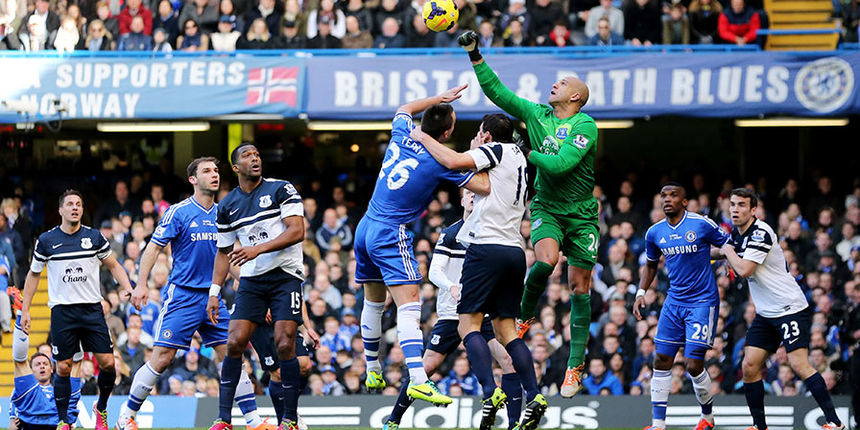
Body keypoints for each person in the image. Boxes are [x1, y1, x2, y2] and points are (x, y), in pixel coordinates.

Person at [459, 30, 599, 397]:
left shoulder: (585, 125)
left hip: (582, 214)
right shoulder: (537, 114)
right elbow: (499, 93)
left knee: (579, 287)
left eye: (563, 83)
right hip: (547, 207)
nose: (555, 84)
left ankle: (574, 366)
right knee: (545, 261)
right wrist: (475, 54)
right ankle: (523, 316)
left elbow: (562, 164)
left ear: (575, 96)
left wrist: (527, 153)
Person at [353, 85, 489, 407]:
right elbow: (482, 186)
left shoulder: (402, 132)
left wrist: (439, 99)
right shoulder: (441, 161)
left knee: (373, 302)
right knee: (409, 305)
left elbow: (404, 106)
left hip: (366, 225)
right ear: (447, 133)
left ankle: (373, 368)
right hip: (391, 232)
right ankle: (418, 379)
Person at [410, 114, 546, 430]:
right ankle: (535, 395)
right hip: (515, 250)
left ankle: (489, 392)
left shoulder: (494, 150)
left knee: (467, 324)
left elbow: (455, 160)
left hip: (487, 247)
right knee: (506, 331)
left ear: (486, 134)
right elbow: (483, 185)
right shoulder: (523, 160)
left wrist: (424, 137)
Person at [116, 158, 273, 430]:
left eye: (215, 171)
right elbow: (153, 248)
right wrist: (141, 284)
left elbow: (229, 256)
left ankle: (253, 421)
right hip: (183, 296)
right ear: (192, 180)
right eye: (206, 171)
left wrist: (252, 290)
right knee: (162, 358)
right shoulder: (179, 212)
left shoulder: (224, 213)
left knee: (234, 354)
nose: (214, 175)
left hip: (213, 298)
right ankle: (126, 416)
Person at [382, 187, 522, 430]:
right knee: (425, 368)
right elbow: (434, 272)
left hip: (483, 311)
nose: (473, 197)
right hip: (451, 313)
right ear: (462, 200)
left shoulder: (491, 235)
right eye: (468, 194)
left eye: (477, 195)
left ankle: (513, 425)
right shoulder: (451, 234)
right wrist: (452, 286)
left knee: (508, 360)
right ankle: (393, 421)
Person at [719, 188, 845, 430]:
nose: (735, 209)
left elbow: (744, 269)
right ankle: (759, 426)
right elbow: (723, 251)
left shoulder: (761, 231)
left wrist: (727, 252)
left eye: (741, 205)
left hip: (790, 308)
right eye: (732, 204)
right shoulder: (737, 234)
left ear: (753, 210)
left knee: (799, 364)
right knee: (749, 365)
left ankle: (834, 422)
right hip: (766, 313)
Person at [206, 143, 306, 430]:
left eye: (257, 155)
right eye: (247, 156)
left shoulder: (280, 189)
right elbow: (224, 252)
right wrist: (214, 292)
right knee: (235, 341)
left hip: (285, 275)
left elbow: (297, 230)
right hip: (253, 279)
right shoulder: (226, 206)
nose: (255, 159)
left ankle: (289, 419)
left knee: (285, 342)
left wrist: (257, 249)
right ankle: (224, 419)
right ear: (236, 167)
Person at [20, 190, 134, 430]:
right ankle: (63, 421)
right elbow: (33, 275)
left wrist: (127, 287)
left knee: (108, 364)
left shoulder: (94, 237)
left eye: (79, 204)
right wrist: (27, 310)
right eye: (70, 204)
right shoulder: (47, 241)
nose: (75, 208)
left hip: (92, 310)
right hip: (63, 312)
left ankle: (101, 408)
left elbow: (114, 264)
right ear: (60, 210)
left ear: (83, 210)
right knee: (63, 366)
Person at [633, 183, 730, 430]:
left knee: (693, 363)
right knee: (662, 358)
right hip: (674, 301)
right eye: (663, 195)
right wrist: (641, 292)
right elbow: (652, 265)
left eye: (673, 195)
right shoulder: (655, 232)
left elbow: (727, 244)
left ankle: (707, 415)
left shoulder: (701, 223)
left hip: (702, 301)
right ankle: (658, 424)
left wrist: (731, 262)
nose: (667, 199)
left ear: (684, 202)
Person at [9, 324, 82, 430]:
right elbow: (12, 426)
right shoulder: (19, 392)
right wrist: (15, 423)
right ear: (30, 371)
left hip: (58, 422)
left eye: (45, 364)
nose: (42, 366)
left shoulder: (60, 390)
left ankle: (78, 326)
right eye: (38, 364)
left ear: (52, 369)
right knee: (20, 363)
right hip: (32, 417)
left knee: (75, 366)